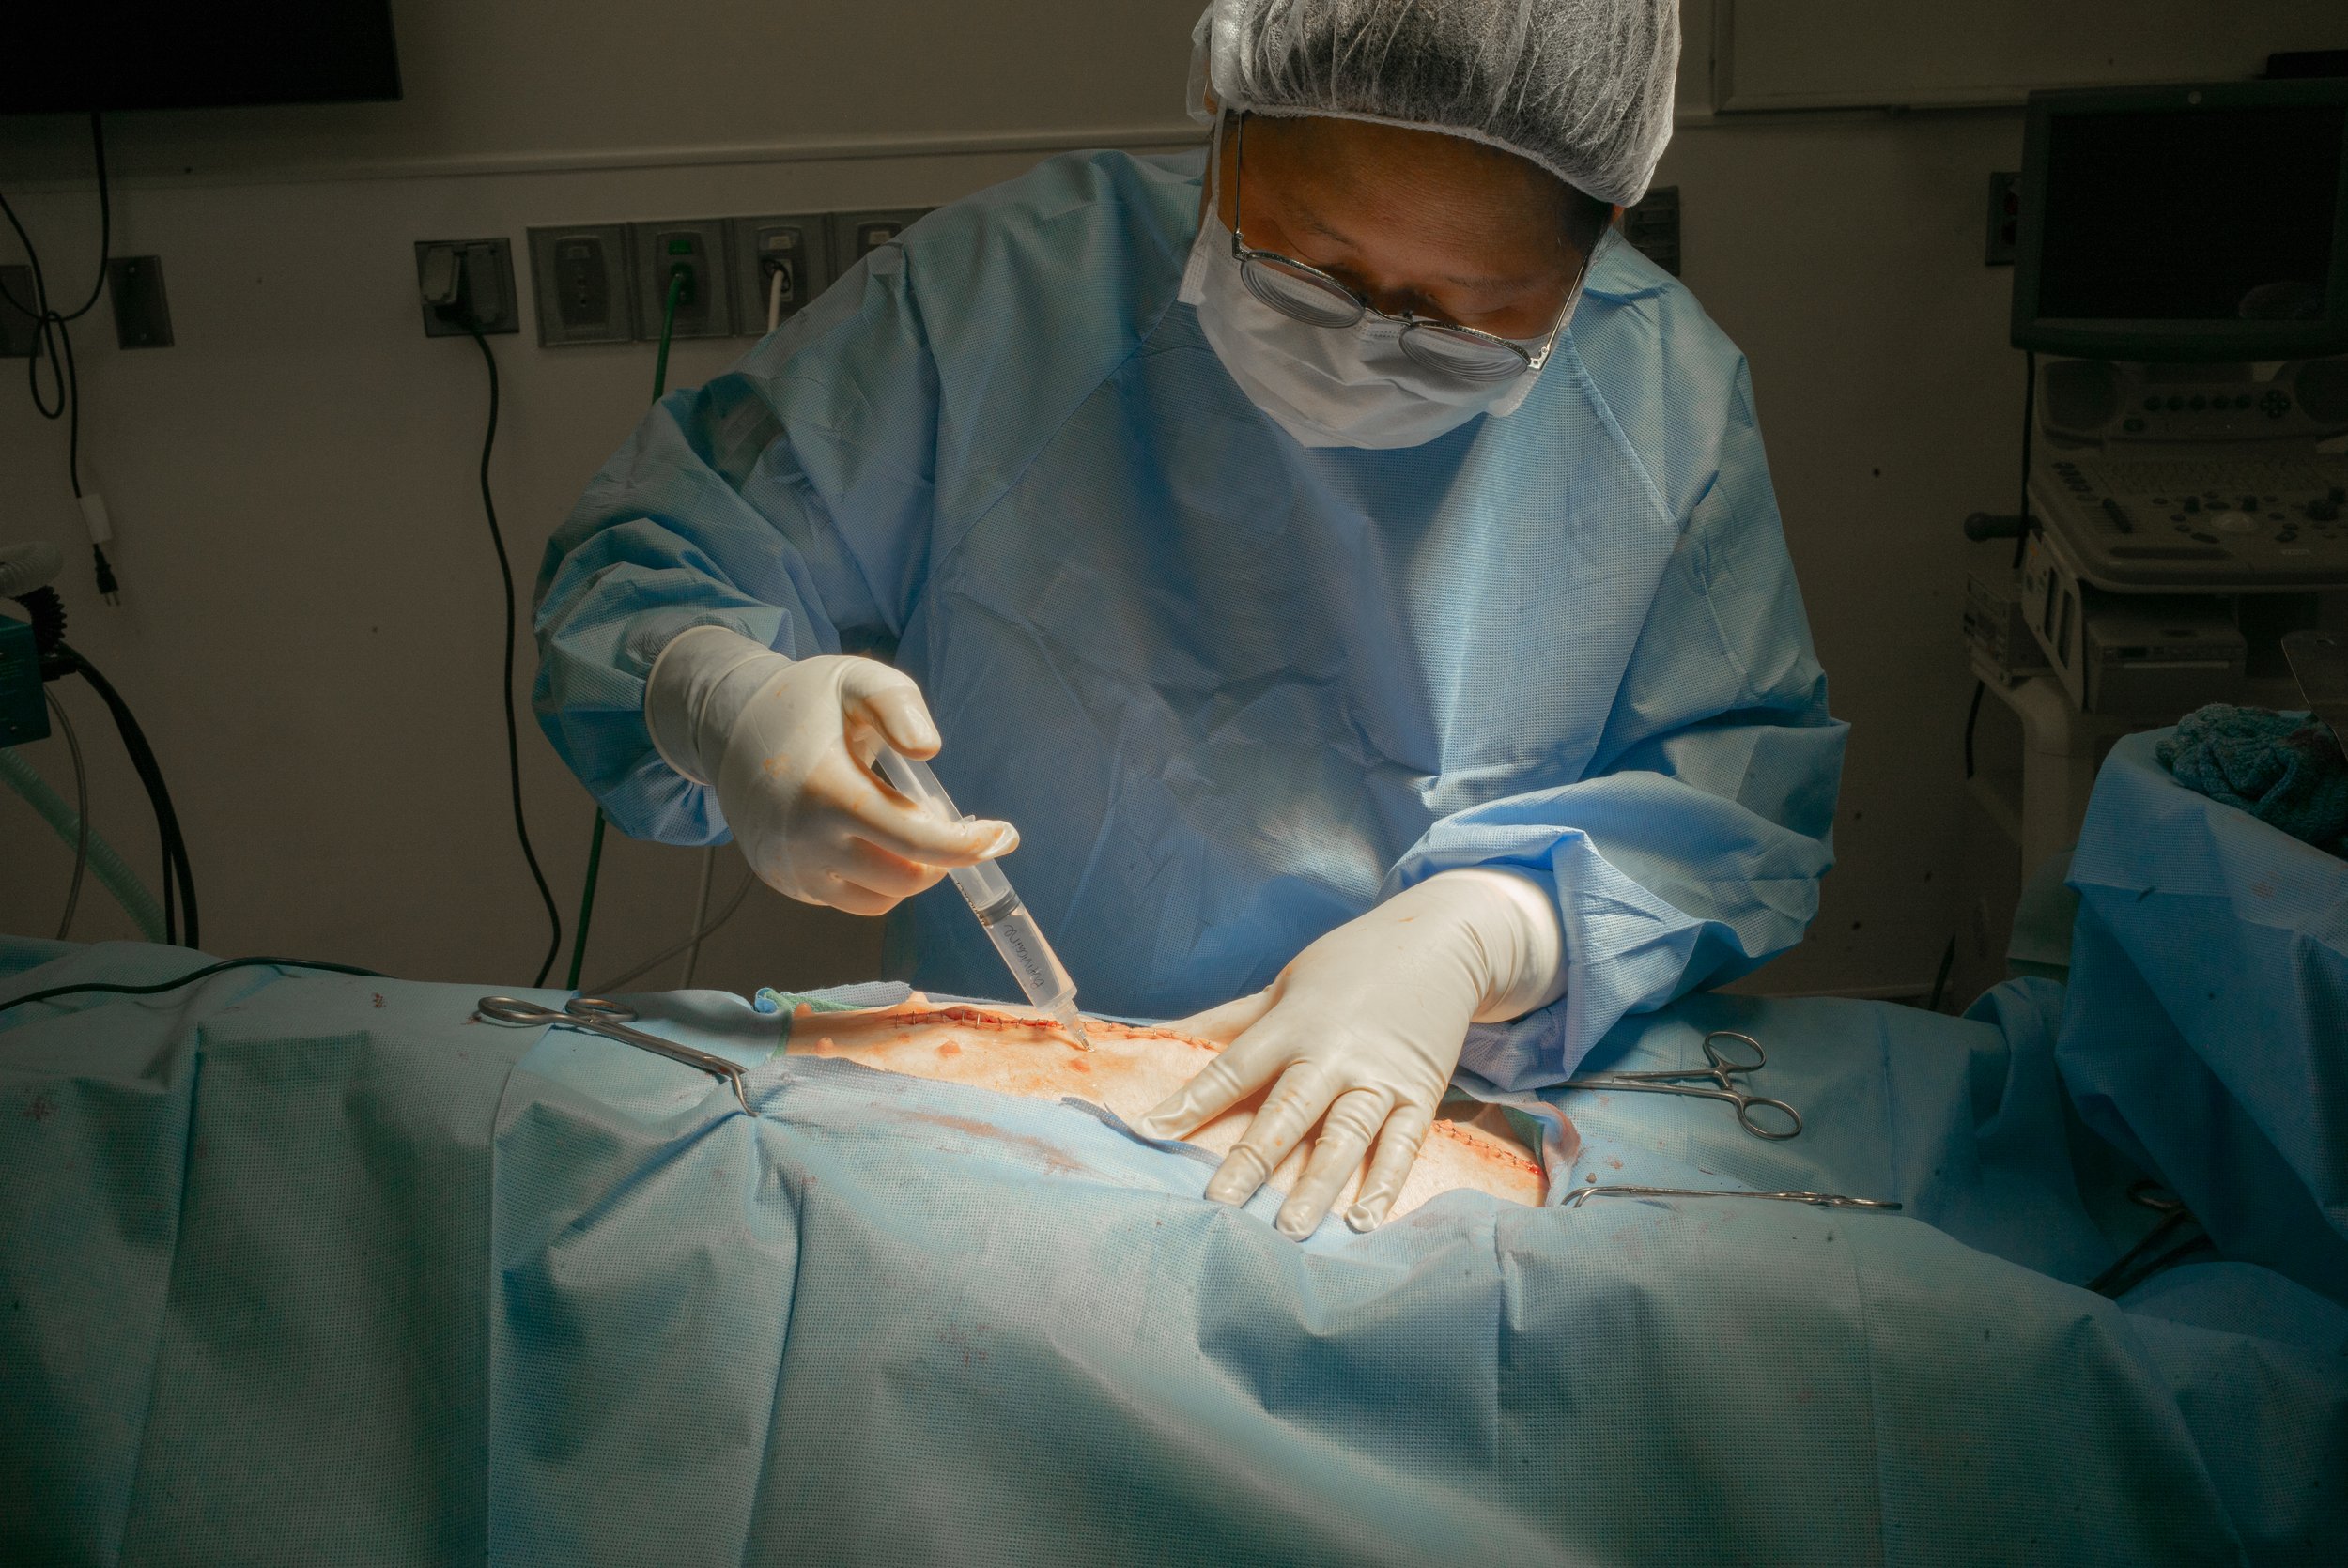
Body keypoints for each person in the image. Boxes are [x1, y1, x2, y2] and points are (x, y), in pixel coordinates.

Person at [534, 0, 1846, 1240]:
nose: (1369, 342)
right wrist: (727, 701)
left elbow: (1733, 803)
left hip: (1431, 1130)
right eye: (1313, 266)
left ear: (1605, 224)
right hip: (1029, 1141)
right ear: (1221, 111)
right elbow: (649, 565)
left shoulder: (1658, 402)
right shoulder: (1003, 300)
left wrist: (1488, 931)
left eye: (1465, 315)